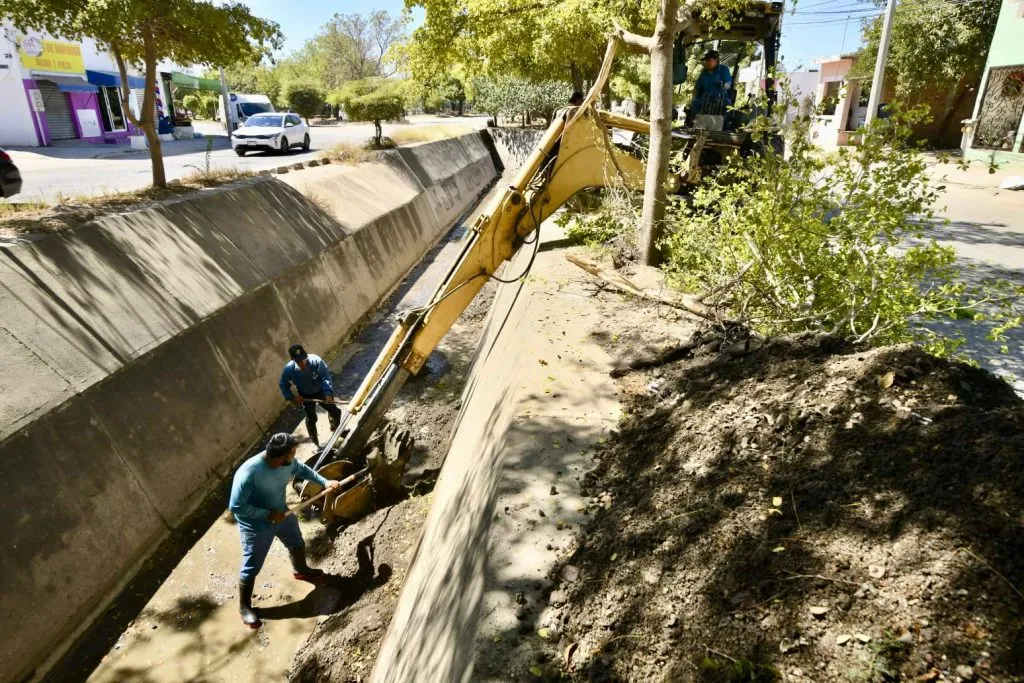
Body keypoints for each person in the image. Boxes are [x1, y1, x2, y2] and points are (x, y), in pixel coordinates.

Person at [230, 432, 341, 628]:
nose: (294, 456)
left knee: (296, 542)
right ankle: (244, 607)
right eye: (292, 453)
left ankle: (301, 570)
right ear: (280, 456)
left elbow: (303, 469)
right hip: (257, 526)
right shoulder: (249, 473)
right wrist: (267, 515)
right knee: (251, 566)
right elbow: (236, 507)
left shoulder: (287, 463)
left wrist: (324, 482)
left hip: (282, 514)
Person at [279, 343, 342, 448]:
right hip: (305, 396)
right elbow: (283, 385)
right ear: (292, 359)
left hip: (321, 391)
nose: (302, 363)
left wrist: (328, 393)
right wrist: (292, 397)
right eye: (298, 362)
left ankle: (335, 429)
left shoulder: (316, 361)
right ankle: (314, 443)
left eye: (303, 359)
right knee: (311, 419)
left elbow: (326, 377)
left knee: (334, 411)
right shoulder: (289, 370)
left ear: (306, 355)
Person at [690, 50, 733, 117]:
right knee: (695, 103)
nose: (707, 62)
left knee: (728, 105)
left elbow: (728, 85)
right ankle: (695, 123)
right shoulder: (704, 73)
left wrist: (722, 84)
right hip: (706, 98)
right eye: (706, 60)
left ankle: (724, 125)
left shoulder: (724, 69)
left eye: (709, 60)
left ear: (716, 60)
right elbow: (696, 87)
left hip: (721, 98)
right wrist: (694, 98)